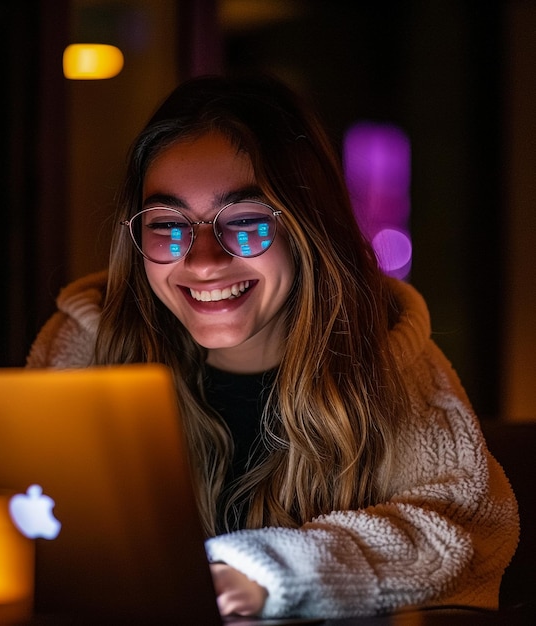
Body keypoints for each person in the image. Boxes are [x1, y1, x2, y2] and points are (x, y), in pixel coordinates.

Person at [27, 74, 519, 620]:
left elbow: (462, 529)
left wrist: (266, 573)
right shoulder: (85, 345)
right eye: (168, 225)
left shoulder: (391, 355)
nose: (204, 260)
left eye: (245, 223)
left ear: (308, 229)